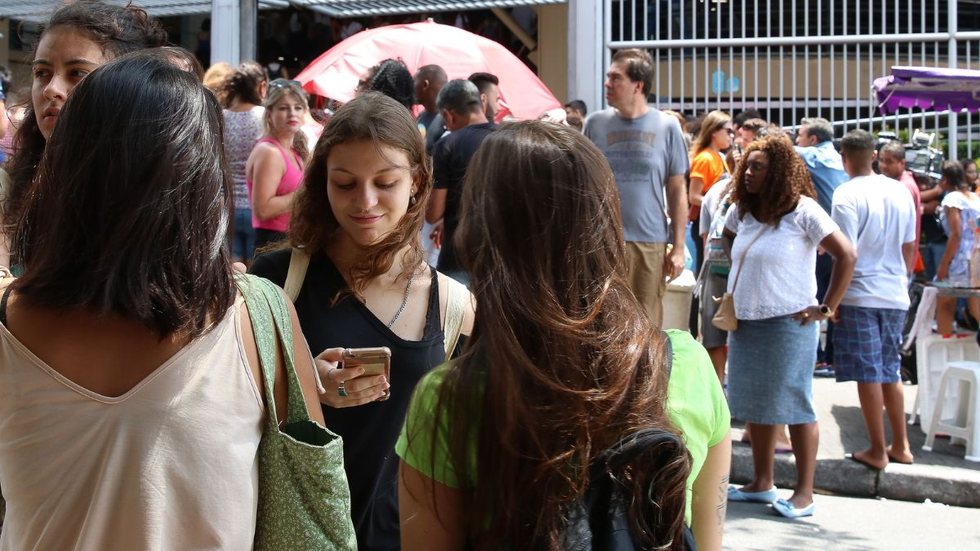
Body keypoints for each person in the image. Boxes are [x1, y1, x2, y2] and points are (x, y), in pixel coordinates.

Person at [0, 51, 325, 549]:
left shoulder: (10, 316)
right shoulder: (255, 316)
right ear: (201, 182)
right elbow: (312, 506)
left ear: (66, 171)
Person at [397, 121, 730, 551]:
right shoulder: (686, 363)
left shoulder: (448, 399)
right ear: (607, 225)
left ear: (481, 236)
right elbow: (708, 539)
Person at [250, 92, 475, 549]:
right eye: (345, 183)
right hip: (291, 532)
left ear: (416, 181)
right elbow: (225, 406)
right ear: (322, 184)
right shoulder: (276, 281)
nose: (365, 202)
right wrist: (305, 388)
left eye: (385, 182)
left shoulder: (453, 305)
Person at [724, 135, 855, 519]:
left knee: (795, 404)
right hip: (747, 320)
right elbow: (727, 233)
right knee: (756, 403)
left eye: (757, 167)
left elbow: (846, 254)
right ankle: (762, 483)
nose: (747, 173)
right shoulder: (744, 211)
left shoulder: (804, 211)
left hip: (789, 322)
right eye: (747, 165)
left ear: (778, 172)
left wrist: (827, 307)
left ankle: (804, 492)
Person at [3, 0, 167, 264]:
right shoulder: (8, 189)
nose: (51, 89)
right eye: (42, 73)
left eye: (77, 73)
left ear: (132, 85)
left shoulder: (165, 191)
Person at [831, 130, 917, 470]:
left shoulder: (845, 193)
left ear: (844, 158)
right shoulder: (900, 191)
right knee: (889, 370)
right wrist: (902, 280)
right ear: (875, 155)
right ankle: (901, 445)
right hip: (894, 292)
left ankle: (878, 450)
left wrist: (831, 301)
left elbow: (844, 253)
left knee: (869, 373)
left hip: (861, 293)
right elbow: (909, 246)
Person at [584, 48, 689, 327]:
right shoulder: (594, 124)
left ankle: (646, 373)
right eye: (608, 77)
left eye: (615, 78)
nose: (607, 84)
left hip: (649, 241)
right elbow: (583, 185)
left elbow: (678, 191)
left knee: (646, 320)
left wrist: (678, 247)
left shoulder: (667, 127)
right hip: (603, 240)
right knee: (604, 319)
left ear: (638, 85)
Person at [425, 80, 495, 286]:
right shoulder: (509, 138)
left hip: (458, 260)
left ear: (448, 115)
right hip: (502, 260)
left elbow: (433, 213)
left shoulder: (447, 145)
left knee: (454, 317)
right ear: (480, 103)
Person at [795, 117, 849, 373]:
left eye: (801, 135)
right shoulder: (841, 160)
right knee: (835, 297)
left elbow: (780, 150)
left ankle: (817, 356)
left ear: (813, 140)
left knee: (814, 296)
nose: (797, 140)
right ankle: (833, 357)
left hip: (821, 241)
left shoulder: (810, 156)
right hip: (843, 240)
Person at [246, 78, 310, 250]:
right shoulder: (270, 152)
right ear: (269, 114)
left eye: (298, 107)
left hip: (290, 237)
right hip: (273, 241)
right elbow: (263, 209)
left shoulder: (293, 151)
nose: (292, 113)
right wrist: (305, 194)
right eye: (283, 108)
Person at [223, 61, 268, 264]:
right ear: (260, 86)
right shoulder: (264, 117)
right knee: (255, 271)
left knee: (233, 273)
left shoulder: (222, 117)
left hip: (227, 203)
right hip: (256, 204)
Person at [935, 160, 980, 334]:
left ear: (946, 179)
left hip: (960, 258)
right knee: (976, 304)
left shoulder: (952, 199)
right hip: (976, 255)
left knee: (945, 302)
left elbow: (956, 234)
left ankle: (944, 342)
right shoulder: (974, 197)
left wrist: (944, 264)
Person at [688, 110, 733, 269]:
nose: (731, 135)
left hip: (717, 221)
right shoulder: (705, 158)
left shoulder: (720, 157)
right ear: (714, 131)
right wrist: (717, 205)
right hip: (704, 222)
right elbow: (693, 196)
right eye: (728, 131)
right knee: (704, 272)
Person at [877, 141, 922, 269]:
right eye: (881, 160)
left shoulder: (903, 187)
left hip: (898, 262)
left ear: (902, 163)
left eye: (889, 162)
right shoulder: (899, 183)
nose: (884, 166)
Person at [413, 64, 448, 152]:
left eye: (413, 82)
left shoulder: (448, 120)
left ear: (425, 85)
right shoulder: (421, 116)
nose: (410, 88)